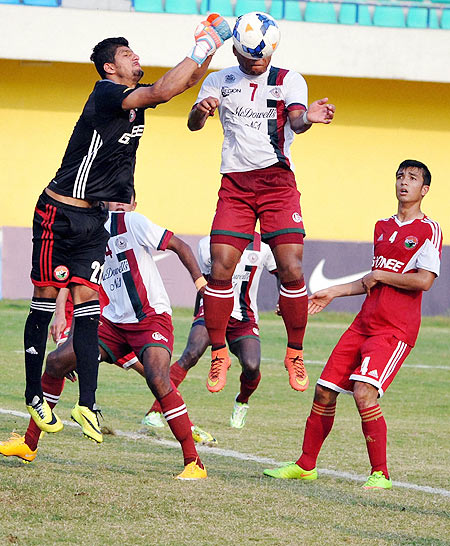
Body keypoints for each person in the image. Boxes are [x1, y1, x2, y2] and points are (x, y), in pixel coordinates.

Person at [22, 16, 232, 444]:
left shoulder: (134, 99)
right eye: (125, 53)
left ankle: (95, 408)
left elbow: (180, 84)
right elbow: (165, 89)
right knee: (49, 315)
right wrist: (205, 40)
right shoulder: (106, 94)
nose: (135, 56)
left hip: (97, 226)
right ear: (109, 69)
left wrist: (213, 47)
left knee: (94, 316)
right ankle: (33, 411)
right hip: (61, 212)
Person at [2, 196, 211, 479]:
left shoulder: (132, 223)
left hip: (150, 317)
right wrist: (73, 337)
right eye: (115, 199)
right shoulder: (85, 233)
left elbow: (180, 245)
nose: (120, 204)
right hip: (111, 322)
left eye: (126, 199)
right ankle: (28, 444)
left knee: (157, 378)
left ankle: (193, 462)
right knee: (56, 363)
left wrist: (201, 285)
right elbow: (78, 286)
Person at [263, 159, 442, 489]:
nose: (404, 182)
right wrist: (331, 292)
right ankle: (305, 464)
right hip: (363, 322)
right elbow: (371, 281)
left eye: (412, 178)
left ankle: (380, 474)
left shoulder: (428, 230)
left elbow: (424, 281)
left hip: (395, 330)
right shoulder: (381, 226)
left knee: (363, 393)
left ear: (424, 190)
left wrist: (381, 275)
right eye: (400, 176)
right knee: (324, 390)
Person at [187, 13, 335, 396]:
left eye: (262, 58)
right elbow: (192, 125)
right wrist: (200, 112)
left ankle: (295, 352)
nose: (256, 64)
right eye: (249, 57)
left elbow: (298, 121)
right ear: (235, 48)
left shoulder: (289, 80)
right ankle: (219, 351)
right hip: (235, 184)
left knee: (291, 267)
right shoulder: (220, 79)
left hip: (277, 182)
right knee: (221, 266)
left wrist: (311, 118)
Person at [143, 233, 277, 430]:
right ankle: (155, 411)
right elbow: (203, 283)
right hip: (211, 312)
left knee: (252, 365)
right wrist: (197, 314)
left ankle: (242, 401)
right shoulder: (207, 243)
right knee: (191, 353)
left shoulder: (263, 247)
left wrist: (283, 297)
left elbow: (281, 272)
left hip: (244, 317)